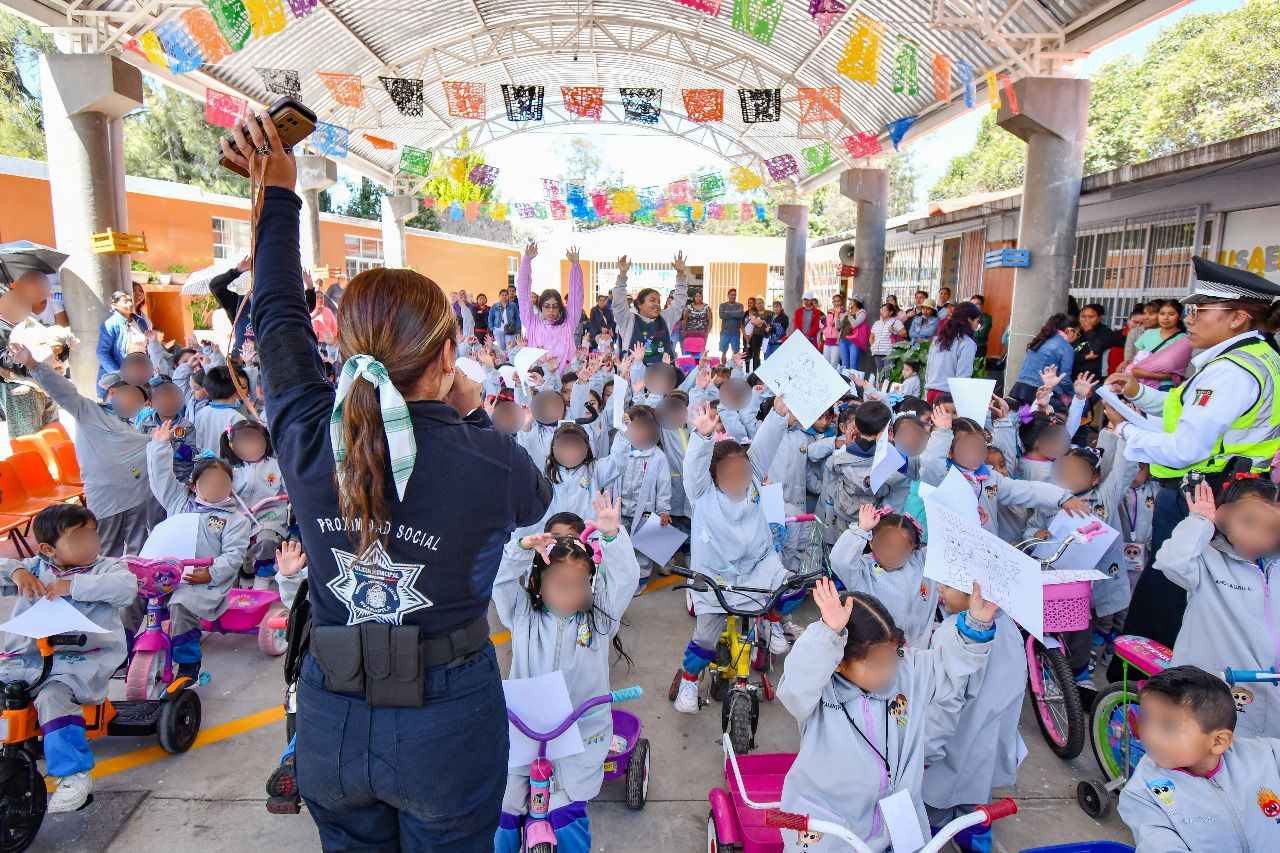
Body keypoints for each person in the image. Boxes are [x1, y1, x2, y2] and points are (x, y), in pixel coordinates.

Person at [221, 114, 551, 849]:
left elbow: (276, 317)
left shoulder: (309, 435)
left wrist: (277, 196)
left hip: (331, 722)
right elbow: (538, 498)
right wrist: (467, 398)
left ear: (345, 345)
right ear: (447, 354)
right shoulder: (489, 460)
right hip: (448, 722)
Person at [1109, 257, 1280, 674]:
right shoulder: (1258, 356)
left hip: (1203, 496)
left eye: (1201, 310)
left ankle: (1146, 691)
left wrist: (1124, 432)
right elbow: (1184, 410)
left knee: (1169, 591)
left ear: (1237, 317)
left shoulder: (1229, 371)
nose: (1190, 319)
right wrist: (1139, 395)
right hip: (1240, 492)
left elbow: (1185, 446)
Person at [775, 578, 997, 853]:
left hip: (898, 821)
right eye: (876, 664)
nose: (889, 672)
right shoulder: (819, 690)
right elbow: (795, 687)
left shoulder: (908, 671)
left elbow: (949, 667)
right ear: (839, 663)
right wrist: (827, 636)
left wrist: (976, 624)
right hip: (833, 825)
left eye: (893, 657)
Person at [493, 496, 638, 853]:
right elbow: (499, 579)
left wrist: (613, 536)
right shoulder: (522, 616)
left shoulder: (599, 620)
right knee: (505, 806)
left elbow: (624, 580)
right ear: (539, 585)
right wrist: (521, 547)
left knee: (566, 810)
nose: (573, 594)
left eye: (580, 585)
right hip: (522, 729)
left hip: (580, 732)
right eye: (561, 585)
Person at [0, 504, 137, 813]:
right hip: (27, 658)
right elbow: (6, 570)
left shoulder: (106, 569)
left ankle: (73, 774)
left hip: (80, 660)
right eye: (78, 538)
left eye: (93, 534)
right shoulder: (36, 569)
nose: (91, 543)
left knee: (52, 697)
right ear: (48, 549)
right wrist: (16, 571)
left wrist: (72, 586)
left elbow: (126, 588)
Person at [673, 397, 789, 714]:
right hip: (715, 577)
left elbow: (765, 446)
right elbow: (693, 468)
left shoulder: (752, 480)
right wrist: (704, 438)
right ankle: (689, 682)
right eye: (731, 477)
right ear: (714, 478)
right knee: (705, 639)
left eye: (744, 474)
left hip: (757, 568)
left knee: (792, 586)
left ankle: (774, 624)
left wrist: (778, 416)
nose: (739, 482)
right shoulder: (701, 495)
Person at [1152, 478, 1280, 738]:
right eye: (1248, 522)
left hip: (1271, 697)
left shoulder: (1274, 567)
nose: (1258, 537)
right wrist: (1200, 521)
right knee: (1203, 763)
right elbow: (1171, 562)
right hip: (1212, 691)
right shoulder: (1205, 560)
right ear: (1224, 515)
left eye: (1272, 530)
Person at [1119, 665, 1280, 850]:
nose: (1150, 735)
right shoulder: (1142, 793)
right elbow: (1158, 843)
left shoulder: (1264, 755)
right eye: (1146, 718)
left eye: (1169, 726)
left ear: (1218, 741)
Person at [146, 428, 252, 679]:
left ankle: (188, 662)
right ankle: (125, 651)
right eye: (209, 482)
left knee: (182, 605)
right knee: (130, 599)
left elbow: (234, 556)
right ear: (194, 486)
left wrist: (210, 573)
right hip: (166, 575)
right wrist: (160, 447)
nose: (217, 487)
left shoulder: (235, 520)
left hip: (204, 584)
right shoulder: (179, 504)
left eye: (223, 483)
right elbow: (160, 478)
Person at [612, 253, 688, 366]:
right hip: (636, 376)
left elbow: (679, 302)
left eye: (658, 301)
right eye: (652, 300)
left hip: (664, 376)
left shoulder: (665, 318)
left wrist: (680, 274)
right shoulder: (628, 320)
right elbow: (618, 302)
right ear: (639, 304)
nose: (657, 304)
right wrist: (622, 275)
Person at [518, 243, 584, 367]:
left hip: (563, 382)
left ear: (560, 308)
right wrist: (526, 261)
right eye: (547, 306)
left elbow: (576, 297)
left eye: (555, 306)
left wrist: (575, 266)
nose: (551, 310)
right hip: (537, 382)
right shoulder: (532, 324)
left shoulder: (568, 324)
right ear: (540, 307)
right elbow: (523, 294)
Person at [1007, 313, 1077, 405]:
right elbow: (1064, 379)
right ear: (1070, 331)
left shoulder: (1041, 339)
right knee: (1045, 418)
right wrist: (1075, 395)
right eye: (1078, 334)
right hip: (1041, 390)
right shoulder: (1066, 347)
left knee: (1024, 418)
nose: (1076, 337)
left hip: (1021, 387)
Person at [923, 302, 982, 404]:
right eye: (977, 321)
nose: (977, 325)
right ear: (969, 319)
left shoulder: (938, 339)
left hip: (930, 392)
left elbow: (928, 369)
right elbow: (963, 377)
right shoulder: (967, 343)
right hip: (948, 398)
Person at [96, 289, 150, 397]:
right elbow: (102, 352)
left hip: (140, 374)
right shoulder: (111, 324)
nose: (130, 304)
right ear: (115, 305)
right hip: (121, 378)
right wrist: (120, 374)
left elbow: (147, 345)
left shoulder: (140, 322)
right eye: (125, 301)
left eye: (130, 301)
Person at [1128, 299, 1191, 390]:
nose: (1165, 318)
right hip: (1141, 383)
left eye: (1171, 314)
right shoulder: (1148, 334)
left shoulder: (1184, 339)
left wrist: (1147, 374)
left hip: (1165, 385)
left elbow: (1180, 371)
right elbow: (1137, 360)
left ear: (1179, 316)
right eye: (1162, 314)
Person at [1073, 303, 1126, 381]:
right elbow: (1070, 353)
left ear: (1099, 318)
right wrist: (1085, 357)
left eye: (1091, 317)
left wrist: (1089, 330)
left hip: (1094, 378)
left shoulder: (1105, 332)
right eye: (1083, 317)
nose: (1086, 320)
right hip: (1075, 376)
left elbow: (1096, 349)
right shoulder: (1077, 332)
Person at [868, 303, 905, 378]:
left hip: (889, 353)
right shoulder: (877, 323)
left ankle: (887, 390)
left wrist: (894, 331)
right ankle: (881, 389)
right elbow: (871, 337)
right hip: (877, 352)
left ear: (891, 312)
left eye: (885, 310)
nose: (882, 311)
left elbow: (904, 334)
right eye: (881, 309)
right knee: (880, 375)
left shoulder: (896, 322)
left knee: (888, 375)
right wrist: (873, 346)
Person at [841, 295, 870, 372]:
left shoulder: (862, 313)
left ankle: (853, 383)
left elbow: (855, 324)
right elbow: (838, 326)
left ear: (856, 302)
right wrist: (837, 315)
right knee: (844, 364)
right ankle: (845, 382)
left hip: (854, 341)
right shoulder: (847, 313)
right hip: (843, 339)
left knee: (853, 364)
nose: (850, 302)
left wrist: (848, 313)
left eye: (852, 300)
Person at [490, 287, 522, 353]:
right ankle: (503, 362)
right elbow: (490, 318)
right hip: (498, 329)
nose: (504, 296)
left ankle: (510, 361)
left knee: (510, 348)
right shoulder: (495, 306)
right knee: (501, 349)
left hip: (511, 329)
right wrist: (492, 328)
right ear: (499, 296)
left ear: (508, 296)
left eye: (506, 295)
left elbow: (517, 318)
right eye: (502, 295)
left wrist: (518, 329)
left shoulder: (513, 305)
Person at [681, 290, 711, 358]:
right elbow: (685, 319)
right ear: (694, 297)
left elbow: (710, 320)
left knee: (700, 352)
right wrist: (683, 330)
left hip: (702, 333)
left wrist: (708, 330)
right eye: (696, 296)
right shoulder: (689, 307)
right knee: (689, 352)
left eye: (699, 296)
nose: (698, 298)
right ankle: (689, 366)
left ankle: (699, 365)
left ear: (702, 297)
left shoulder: (707, 307)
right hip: (690, 333)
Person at [718, 288, 745, 361]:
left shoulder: (740, 305)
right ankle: (723, 369)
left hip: (735, 333)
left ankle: (735, 369)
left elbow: (741, 314)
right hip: (725, 332)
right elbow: (721, 315)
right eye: (731, 295)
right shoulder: (723, 305)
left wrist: (727, 312)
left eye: (735, 295)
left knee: (736, 353)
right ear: (728, 295)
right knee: (723, 352)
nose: (733, 296)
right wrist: (735, 313)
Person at [821, 294, 847, 369]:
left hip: (837, 341)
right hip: (827, 340)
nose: (836, 303)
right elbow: (826, 324)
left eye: (838, 301)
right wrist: (825, 331)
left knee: (834, 363)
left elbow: (839, 326)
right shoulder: (829, 311)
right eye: (834, 301)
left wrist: (836, 316)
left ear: (841, 302)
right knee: (825, 362)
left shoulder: (844, 313)